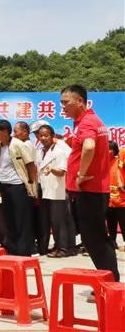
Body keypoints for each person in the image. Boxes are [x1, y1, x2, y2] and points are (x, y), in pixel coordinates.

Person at [62, 84, 119, 282]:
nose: (63, 107)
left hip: (89, 190)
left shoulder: (87, 122)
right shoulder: (90, 120)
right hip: (92, 190)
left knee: (95, 238)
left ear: (80, 101)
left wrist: (81, 174)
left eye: (66, 102)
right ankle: (109, 281)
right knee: (94, 238)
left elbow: (89, 146)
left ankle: (110, 283)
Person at [0, 119, 38, 256]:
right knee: (9, 218)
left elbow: (30, 165)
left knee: (21, 219)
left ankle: (24, 251)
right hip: (4, 185)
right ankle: (12, 249)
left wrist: (31, 183)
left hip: (18, 186)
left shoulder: (18, 144)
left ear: (5, 131)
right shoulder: (0, 145)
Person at [37, 124, 76, 257]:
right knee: (54, 221)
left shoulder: (59, 151)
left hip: (57, 190)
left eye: (46, 135)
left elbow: (62, 171)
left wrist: (52, 169)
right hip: (46, 190)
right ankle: (61, 246)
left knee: (59, 221)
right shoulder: (40, 151)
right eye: (41, 136)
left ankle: (64, 249)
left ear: (52, 136)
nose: (43, 138)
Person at [15, 120, 43, 253]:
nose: (14, 134)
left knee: (27, 218)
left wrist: (32, 186)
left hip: (29, 185)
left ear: (25, 132)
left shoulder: (26, 145)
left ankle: (30, 247)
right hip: (28, 185)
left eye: (16, 131)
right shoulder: (24, 144)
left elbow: (31, 167)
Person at [107, 141, 125, 249]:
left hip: (121, 198)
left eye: (110, 149)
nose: (107, 151)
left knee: (123, 222)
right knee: (110, 222)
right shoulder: (103, 163)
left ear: (114, 150)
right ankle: (112, 242)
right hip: (108, 199)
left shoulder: (119, 161)